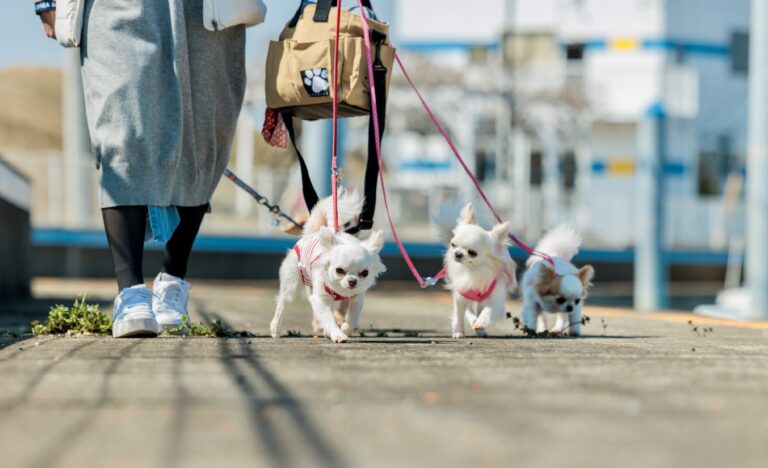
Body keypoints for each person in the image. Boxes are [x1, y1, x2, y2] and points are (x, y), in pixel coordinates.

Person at [36, 1, 246, 337]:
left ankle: (172, 281)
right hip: (115, 6)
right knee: (121, 125)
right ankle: (130, 291)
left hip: (208, 9)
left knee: (204, 133)